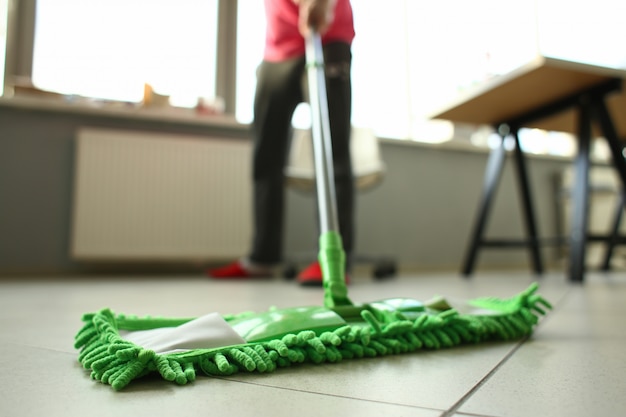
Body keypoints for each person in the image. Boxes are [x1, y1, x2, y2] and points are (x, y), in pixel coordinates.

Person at [208, 0, 355, 285]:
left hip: (328, 34)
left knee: (332, 150)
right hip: (278, 46)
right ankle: (263, 257)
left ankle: (337, 260)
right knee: (266, 154)